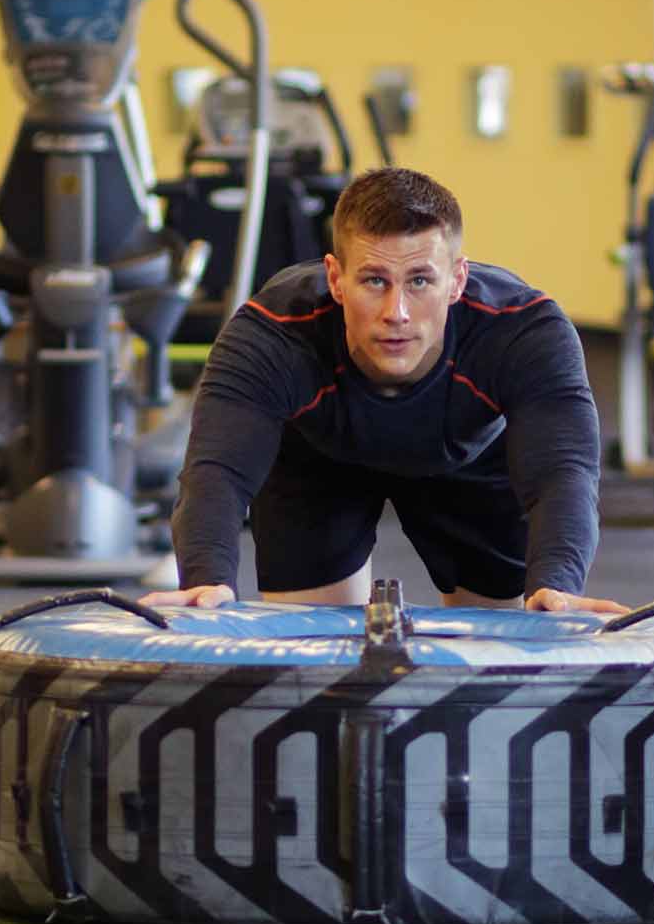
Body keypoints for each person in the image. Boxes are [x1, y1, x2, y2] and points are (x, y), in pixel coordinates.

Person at [143, 166, 628, 615]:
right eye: (375, 281)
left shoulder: (525, 330)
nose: (396, 311)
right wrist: (207, 580)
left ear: (458, 280)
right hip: (320, 462)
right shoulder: (271, 334)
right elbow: (217, 473)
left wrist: (560, 584)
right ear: (335, 278)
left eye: (420, 280)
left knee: (507, 646)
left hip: (470, 463)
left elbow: (563, 473)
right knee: (311, 663)